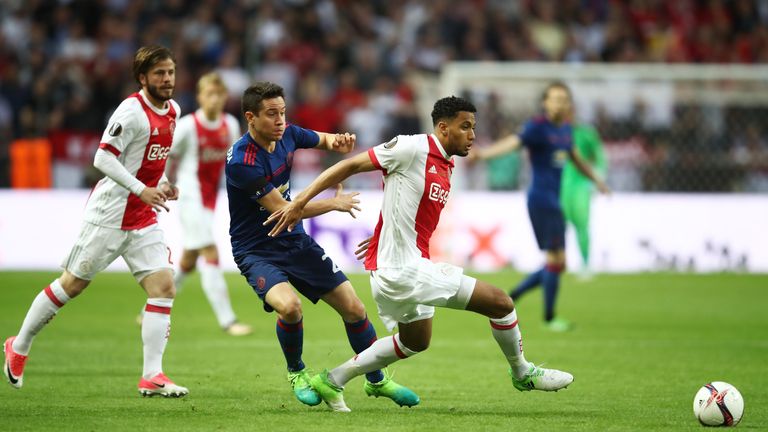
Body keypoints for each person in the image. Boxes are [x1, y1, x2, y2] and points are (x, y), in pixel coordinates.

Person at [265, 96, 574, 413]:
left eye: (474, 127)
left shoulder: (446, 163)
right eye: (465, 126)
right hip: (403, 270)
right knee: (501, 303)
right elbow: (350, 165)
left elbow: (408, 206)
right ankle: (522, 372)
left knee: (415, 341)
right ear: (443, 127)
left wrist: (382, 235)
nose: (472, 135)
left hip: (402, 267)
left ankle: (332, 380)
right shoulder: (413, 148)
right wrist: (300, 203)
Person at [3, 46, 188, 397]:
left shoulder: (174, 111)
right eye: (160, 74)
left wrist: (161, 185)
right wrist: (139, 188)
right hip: (109, 215)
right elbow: (102, 158)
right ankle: (19, 344)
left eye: (171, 72)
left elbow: (147, 159)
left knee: (163, 287)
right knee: (71, 285)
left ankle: (152, 375)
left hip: (143, 217)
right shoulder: (131, 111)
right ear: (143, 78)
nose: (167, 79)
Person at [225, 81, 418, 408]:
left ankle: (377, 379)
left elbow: (323, 139)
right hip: (256, 250)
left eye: (283, 112)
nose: (280, 120)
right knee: (289, 307)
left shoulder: (288, 134)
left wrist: (340, 142)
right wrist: (332, 203)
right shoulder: (242, 161)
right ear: (250, 118)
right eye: (271, 114)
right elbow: (281, 210)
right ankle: (297, 371)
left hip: (293, 241)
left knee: (355, 309)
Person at [472, 82, 610, 332]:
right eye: (555, 99)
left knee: (558, 263)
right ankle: (549, 318)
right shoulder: (537, 127)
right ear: (545, 103)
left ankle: (513, 296)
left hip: (553, 200)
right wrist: (483, 155)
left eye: (564, 99)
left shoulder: (566, 130)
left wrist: (598, 181)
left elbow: (577, 159)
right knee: (555, 260)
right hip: (541, 200)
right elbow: (513, 143)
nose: (559, 103)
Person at [160, 72, 252, 336]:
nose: (214, 99)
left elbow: (234, 163)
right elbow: (166, 155)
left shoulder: (230, 125)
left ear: (225, 97)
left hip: (210, 199)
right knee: (210, 252)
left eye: (219, 94)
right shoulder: (188, 126)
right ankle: (228, 321)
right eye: (209, 94)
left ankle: (150, 310)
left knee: (189, 259)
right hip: (189, 196)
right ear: (200, 97)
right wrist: (166, 182)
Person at [560, 110, 607, 279]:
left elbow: (600, 156)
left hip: (580, 185)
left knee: (581, 224)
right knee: (558, 226)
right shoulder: (555, 133)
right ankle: (558, 263)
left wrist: (597, 178)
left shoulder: (586, 133)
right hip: (560, 185)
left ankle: (586, 264)